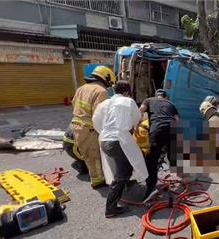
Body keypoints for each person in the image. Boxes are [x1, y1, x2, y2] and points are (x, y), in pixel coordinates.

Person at [92, 80, 148, 218]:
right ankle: (110, 208)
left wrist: (106, 133)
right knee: (124, 171)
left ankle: (126, 182)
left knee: (123, 164)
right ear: (127, 92)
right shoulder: (128, 101)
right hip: (118, 141)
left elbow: (96, 121)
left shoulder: (103, 104)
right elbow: (137, 118)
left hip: (105, 140)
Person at [70, 66, 115, 189]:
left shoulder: (81, 88)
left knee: (87, 153)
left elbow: (73, 104)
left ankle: (93, 172)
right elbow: (100, 113)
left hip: (76, 125)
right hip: (89, 128)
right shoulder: (101, 91)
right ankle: (98, 181)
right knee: (94, 155)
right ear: (106, 79)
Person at [140, 89, 179, 200]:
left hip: (157, 129)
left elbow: (140, 111)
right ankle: (180, 174)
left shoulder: (149, 100)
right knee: (173, 155)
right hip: (172, 129)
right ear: (166, 97)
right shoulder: (171, 104)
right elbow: (177, 120)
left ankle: (151, 185)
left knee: (151, 159)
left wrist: (135, 126)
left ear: (156, 96)